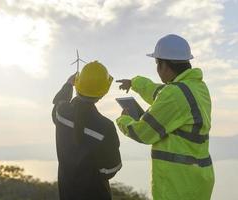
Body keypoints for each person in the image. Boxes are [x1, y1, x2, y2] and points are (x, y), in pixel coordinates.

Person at [116, 34, 214, 200]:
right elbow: (158, 93)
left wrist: (123, 120)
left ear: (164, 65)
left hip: (178, 186)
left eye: (157, 63)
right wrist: (134, 83)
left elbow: (144, 133)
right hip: (197, 180)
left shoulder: (174, 94)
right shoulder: (196, 87)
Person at [52, 61, 122, 200]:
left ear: (77, 85)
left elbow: (57, 105)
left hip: (67, 194)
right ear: (102, 94)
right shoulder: (105, 127)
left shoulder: (62, 113)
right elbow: (111, 169)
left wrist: (68, 85)